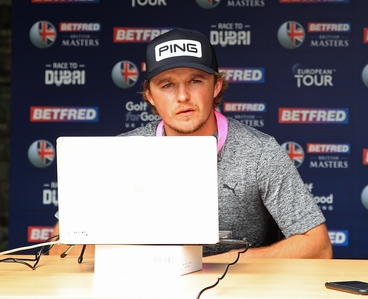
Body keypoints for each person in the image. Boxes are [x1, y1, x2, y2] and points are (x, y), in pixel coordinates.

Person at [52, 28, 332, 259]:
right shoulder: (119, 153)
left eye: (195, 81)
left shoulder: (260, 152)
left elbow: (317, 246)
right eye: (167, 85)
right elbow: (61, 248)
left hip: (232, 290)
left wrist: (214, 265)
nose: (183, 96)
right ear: (149, 95)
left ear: (216, 86)